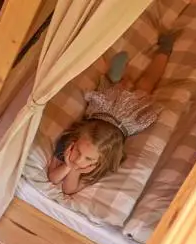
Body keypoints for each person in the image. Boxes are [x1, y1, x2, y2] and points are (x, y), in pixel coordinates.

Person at [47, 31, 179, 195]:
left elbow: (66, 188)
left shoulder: (102, 161)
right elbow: (56, 180)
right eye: (78, 152)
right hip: (121, 119)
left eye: (88, 158)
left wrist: (73, 167)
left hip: (111, 114)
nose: (79, 160)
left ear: (100, 159)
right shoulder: (68, 142)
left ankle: (163, 50)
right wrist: (70, 166)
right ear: (76, 141)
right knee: (132, 89)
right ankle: (119, 82)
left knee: (144, 83)